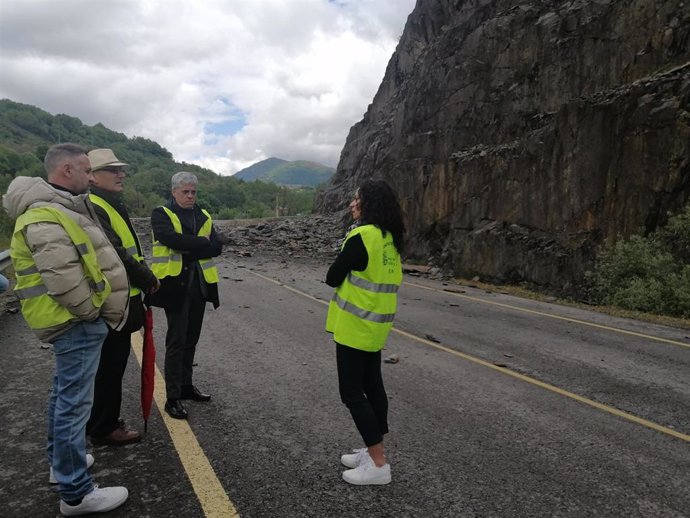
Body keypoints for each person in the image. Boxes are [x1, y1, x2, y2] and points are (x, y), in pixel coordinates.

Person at [2, 143, 130, 515]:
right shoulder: (45, 215)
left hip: (72, 323)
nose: (92, 177)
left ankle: (62, 468)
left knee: (64, 397)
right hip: (74, 323)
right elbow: (62, 277)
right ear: (66, 171)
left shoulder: (58, 208)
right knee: (74, 406)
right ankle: (75, 492)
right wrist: (91, 313)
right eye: (86, 169)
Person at [325, 179, 405, 486]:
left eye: (356, 199)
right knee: (373, 388)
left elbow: (333, 277)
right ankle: (373, 450)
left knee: (352, 392)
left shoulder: (361, 236)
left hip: (355, 327)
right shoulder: (390, 238)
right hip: (376, 326)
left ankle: (378, 464)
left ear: (368, 203)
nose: (351, 204)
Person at [86, 148, 160, 446]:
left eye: (121, 169)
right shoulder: (96, 205)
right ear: (92, 175)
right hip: (112, 302)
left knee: (107, 366)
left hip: (120, 298)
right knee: (109, 367)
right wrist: (147, 278)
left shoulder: (108, 202)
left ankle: (97, 422)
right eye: (113, 169)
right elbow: (115, 252)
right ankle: (104, 427)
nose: (121, 174)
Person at [149, 171, 222, 420]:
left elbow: (217, 246)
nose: (190, 196)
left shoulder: (203, 214)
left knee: (191, 339)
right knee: (176, 341)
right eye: (185, 192)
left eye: (193, 192)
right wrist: (199, 243)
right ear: (174, 192)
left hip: (200, 287)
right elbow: (169, 239)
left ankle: (186, 387)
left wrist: (189, 244)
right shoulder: (162, 213)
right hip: (176, 288)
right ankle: (172, 398)